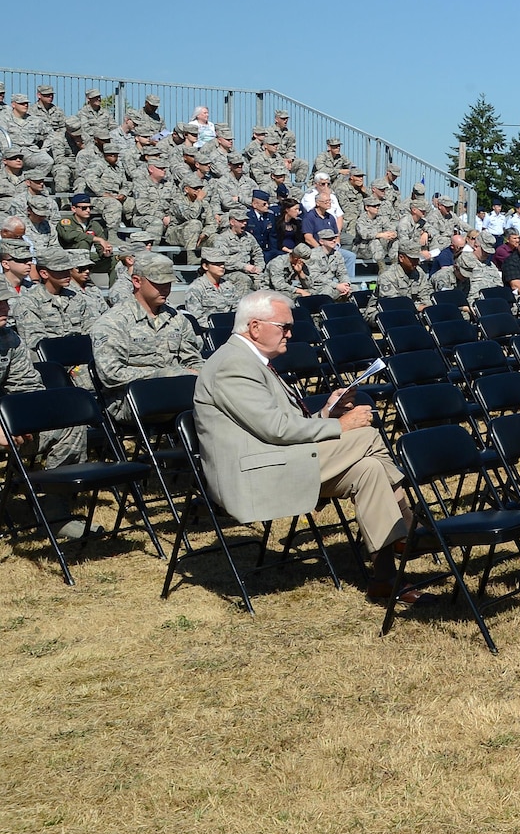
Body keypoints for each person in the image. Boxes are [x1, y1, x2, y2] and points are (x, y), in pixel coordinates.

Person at [192, 290, 417, 603]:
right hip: (254, 475)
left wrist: (327, 414)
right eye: (283, 327)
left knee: (370, 469)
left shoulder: (252, 360)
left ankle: (385, 578)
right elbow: (276, 429)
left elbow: (280, 424)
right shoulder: (233, 365)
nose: (290, 333)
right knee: (365, 436)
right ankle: (408, 527)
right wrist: (340, 425)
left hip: (280, 457)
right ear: (255, 327)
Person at [89, 253, 205, 421]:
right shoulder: (113, 322)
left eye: (168, 283)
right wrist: (165, 375)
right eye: (159, 284)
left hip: (176, 390)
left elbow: (192, 361)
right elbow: (112, 374)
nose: (166, 289)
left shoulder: (177, 319)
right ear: (137, 281)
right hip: (131, 397)